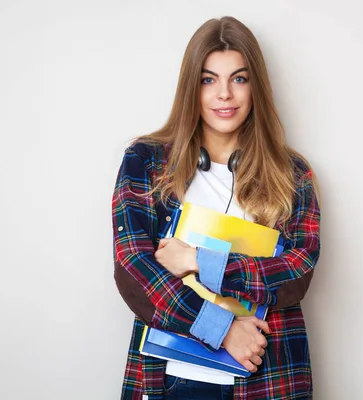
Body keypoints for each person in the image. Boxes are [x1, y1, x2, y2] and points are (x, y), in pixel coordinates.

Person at [112, 16, 321, 400]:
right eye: (209, 79)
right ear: (191, 87)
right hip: (170, 379)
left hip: (266, 377)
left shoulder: (291, 173)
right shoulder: (146, 161)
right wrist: (222, 328)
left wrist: (200, 261)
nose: (224, 94)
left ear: (255, 87)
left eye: (239, 79)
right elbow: (134, 271)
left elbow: (297, 271)